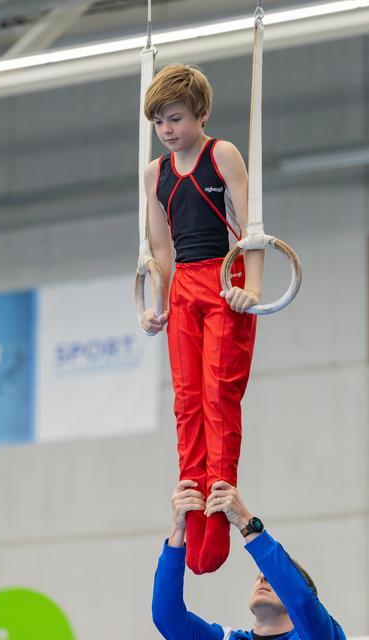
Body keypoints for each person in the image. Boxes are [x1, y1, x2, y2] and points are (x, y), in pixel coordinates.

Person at [142, 63, 264, 574]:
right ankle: (192, 511)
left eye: (175, 119)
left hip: (224, 281)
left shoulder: (224, 155)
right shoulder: (154, 174)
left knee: (217, 396)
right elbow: (161, 248)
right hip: (185, 286)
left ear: (202, 114)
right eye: (159, 122)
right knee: (187, 403)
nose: (167, 130)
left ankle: (220, 508)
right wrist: (160, 304)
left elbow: (253, 229)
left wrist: (251, 288)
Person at [152, 479, 347, 640]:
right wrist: (178, 529)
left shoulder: (323, 634)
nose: (261, 578)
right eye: (260, 576)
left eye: (271, 578)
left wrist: (245, 521)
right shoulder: (226, 638)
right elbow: (167, 617)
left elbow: (301, 601)